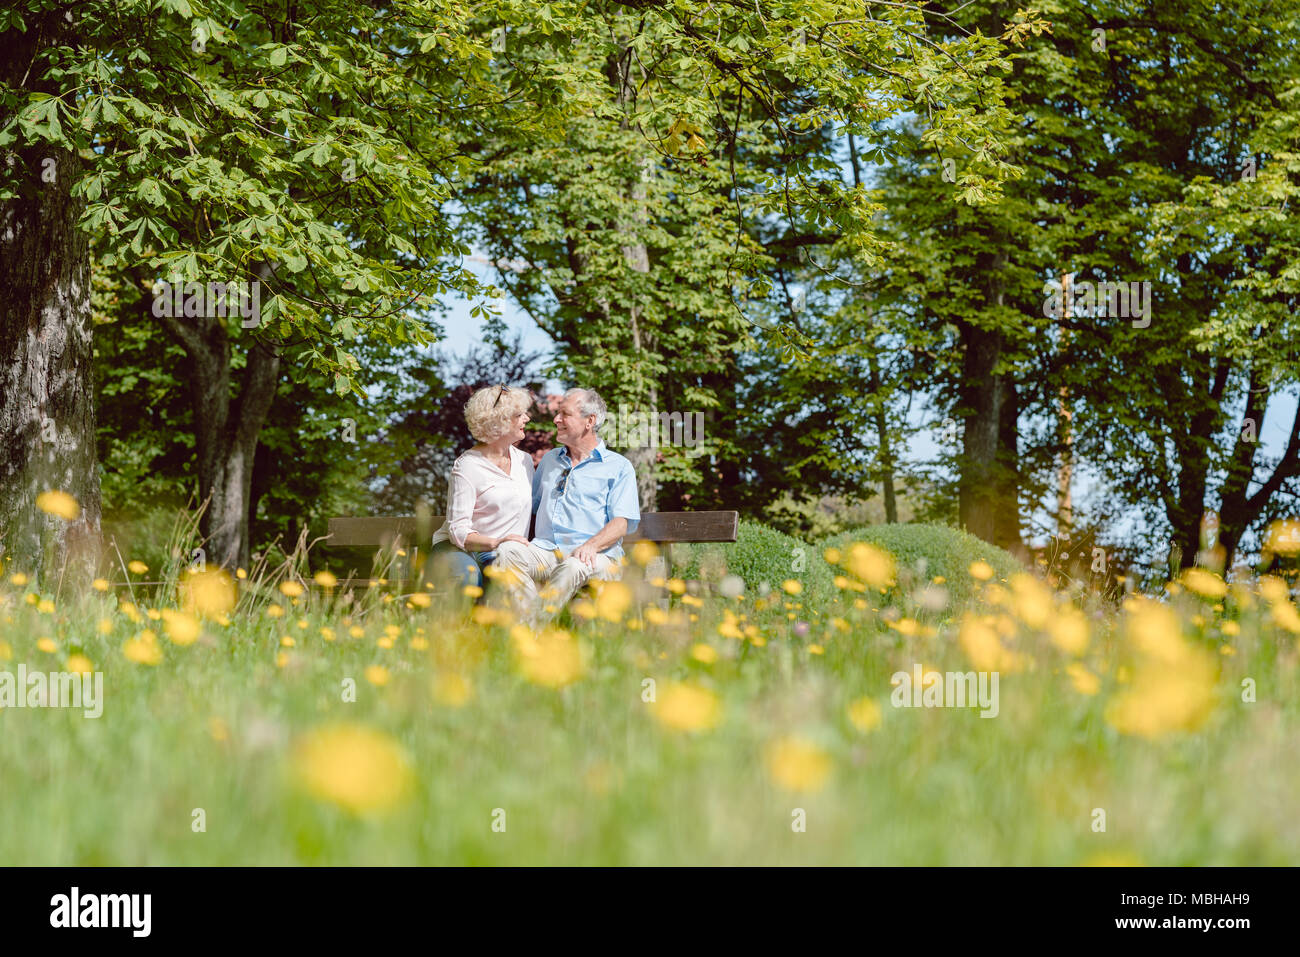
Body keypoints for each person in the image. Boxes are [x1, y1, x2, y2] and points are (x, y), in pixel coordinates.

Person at [494, 387, 640, 626]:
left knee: (574, 565)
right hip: (547, 552)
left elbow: (621, 522)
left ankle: (532, 633)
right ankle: (538, 628)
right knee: (507, 551)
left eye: (565, 414)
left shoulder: (618, 467)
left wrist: (591, 546)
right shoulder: (550, 461)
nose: (556, 420)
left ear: (589, 421)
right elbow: (530, 507)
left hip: (595, 557)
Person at [428, 385, 535, 591]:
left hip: (505, 553)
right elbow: (457, 532)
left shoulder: (525, 461)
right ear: (500, 420)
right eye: (519, 414)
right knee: (466, 576)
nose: (527, 419)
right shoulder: (468, 465)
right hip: (460, 549)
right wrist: (496, 542)